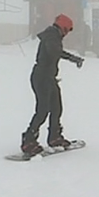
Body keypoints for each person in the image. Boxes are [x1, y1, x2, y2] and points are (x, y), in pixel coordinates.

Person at [20, 14, 85, 157]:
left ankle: (54, 137)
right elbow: (54, 51)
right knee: (43, 110)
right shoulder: (51, 36)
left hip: (48, 78)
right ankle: (28, 141)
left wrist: (72, 58)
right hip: (42, 77)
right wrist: (72, 58)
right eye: (67, 30)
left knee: (56, 108)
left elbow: (55, 52)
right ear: (64, 28)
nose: (66, 34)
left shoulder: (53, 36)